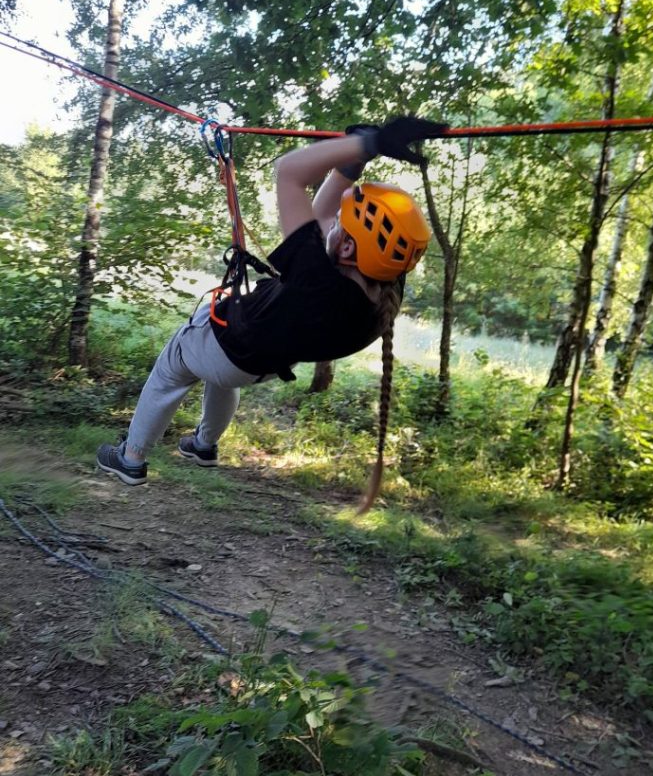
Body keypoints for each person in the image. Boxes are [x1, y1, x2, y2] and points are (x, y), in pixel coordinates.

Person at [96, 115, 445, 511]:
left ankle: (131, 458)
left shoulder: (318, 284)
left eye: (340, 229)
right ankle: (204, 445)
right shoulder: (380, 293)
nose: (329, 226)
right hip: (256, 363)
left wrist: (369, 143)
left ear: (348, 249)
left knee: (174, 363)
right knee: (220, 376)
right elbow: (325, 214)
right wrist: (352, 165)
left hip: (230, 343)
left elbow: (290, 173)